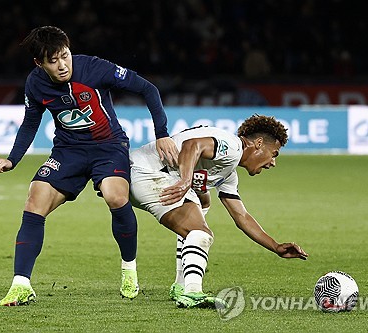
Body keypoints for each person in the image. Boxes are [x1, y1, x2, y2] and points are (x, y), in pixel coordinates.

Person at [0, 26, 177, 306]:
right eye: (53, 61)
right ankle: (21, 284)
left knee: (116, 196)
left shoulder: (94, 68)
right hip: (68, 151)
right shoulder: (35, 83)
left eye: (65, 56)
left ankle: (129, 269)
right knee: (34, 200)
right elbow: (30, 123)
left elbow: (147, 89)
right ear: (39, 63)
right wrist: (12, 159)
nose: (62, 65)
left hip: (109, 147)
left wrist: (161, 133)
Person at [129, 115, 309, 308]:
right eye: (274, 153)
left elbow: (241, 216)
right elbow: (192, 145)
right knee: (200, 232)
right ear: (258, 143)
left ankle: (182, 286)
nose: (273, 162)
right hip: (147, 173)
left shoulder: (228, 173)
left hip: (145, 174)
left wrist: (275, 246)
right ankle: (192, 292)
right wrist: (185, 181)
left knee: (202, 204)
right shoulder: (232, 146)